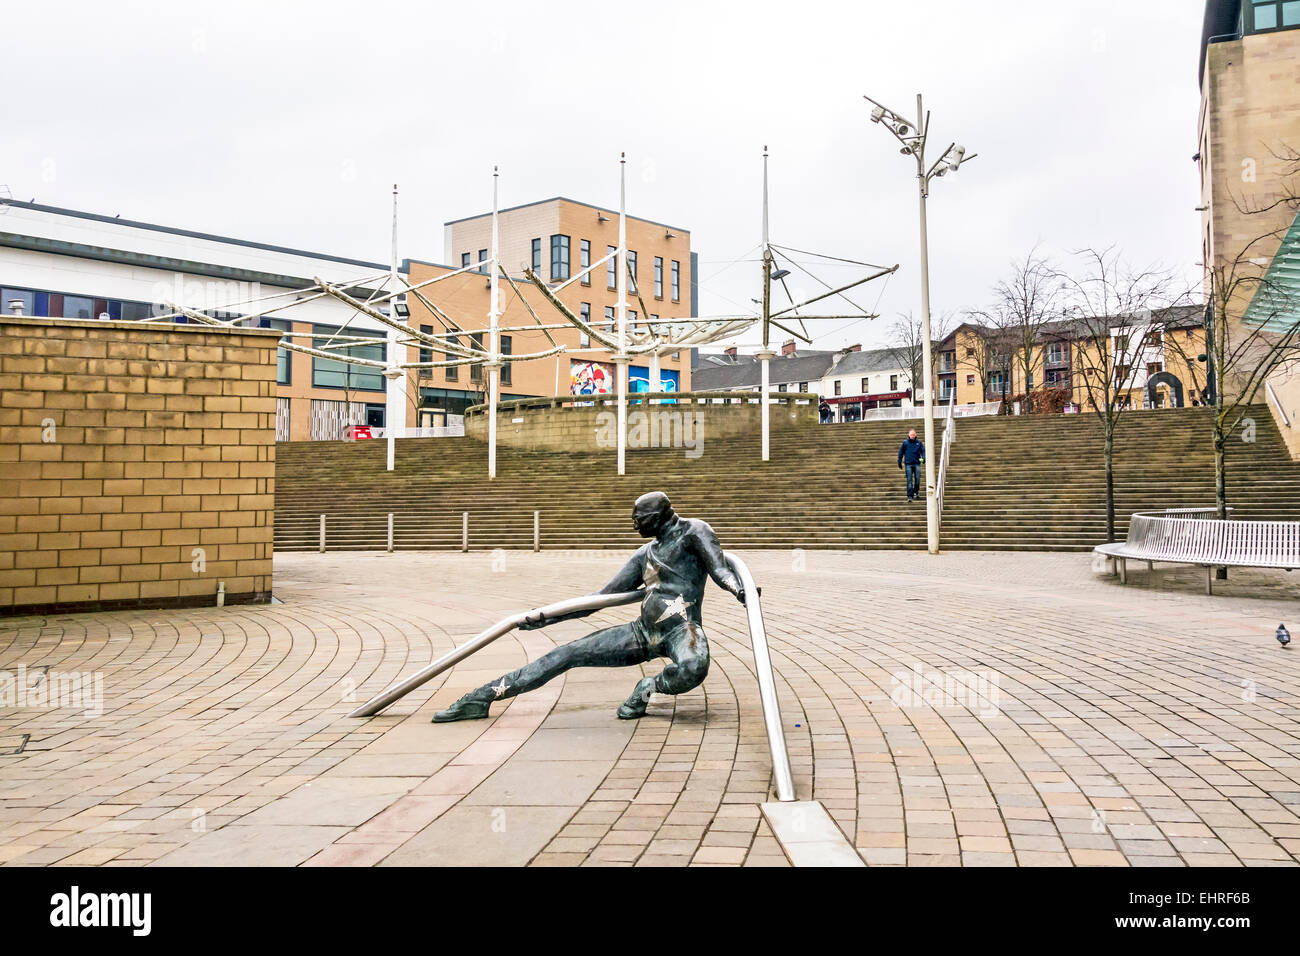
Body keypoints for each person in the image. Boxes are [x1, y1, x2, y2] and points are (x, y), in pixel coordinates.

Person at [432, 491, 746, 723]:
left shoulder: (694, 532)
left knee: (693, 667)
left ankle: (649, 687)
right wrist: (544, 619)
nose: (633, 525)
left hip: (681, 629)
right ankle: (483, 696)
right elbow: (598, 599)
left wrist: (739, 589)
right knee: (567, 654)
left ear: (659, 515)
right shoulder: (644, 554)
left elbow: (720, 570)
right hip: (641, 633)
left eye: (639, 519)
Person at [898, 427, 925, 503]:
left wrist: (924, 458)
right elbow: (901, 452)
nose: (912, 436)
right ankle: (910, 496)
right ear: (909, 435)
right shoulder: (905, 443)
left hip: (917, 463)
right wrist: (899, 461)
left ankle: (916, 492)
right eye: (911, 435)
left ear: (915, 435)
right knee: (909, 481)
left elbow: (923, 451)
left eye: (913, 435)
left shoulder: (919, 442)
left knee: (917, 480)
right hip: (908, 464)